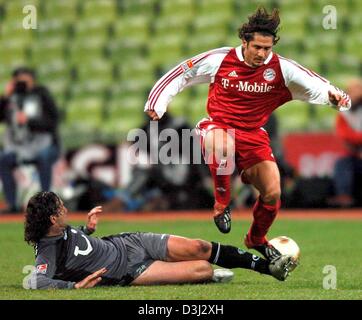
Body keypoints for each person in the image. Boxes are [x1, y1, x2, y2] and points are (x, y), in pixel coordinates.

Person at [144, 7, 351, 261]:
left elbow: (318, 84)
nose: (262, 54)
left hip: (254, 134)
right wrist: (157, 103)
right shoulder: (220, 59)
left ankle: (256, 238)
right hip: (217, 126)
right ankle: (221, 204)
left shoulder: (282, 68)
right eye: (257, 48)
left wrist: (337, 98)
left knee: (273, 192)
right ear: (245, 42)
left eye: (267, 48)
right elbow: (181, 73)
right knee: (223, 146)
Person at [24, 191, 295, 289]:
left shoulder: (60, 229)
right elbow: (37, 280)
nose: (65, 211)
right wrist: (74, 288)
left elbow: (76, 244)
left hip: (129, 242)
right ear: (50, 219)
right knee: (202, 269)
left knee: (198, 246)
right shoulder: (46, 249)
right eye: (60, 209)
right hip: (129, 271)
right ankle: (213, 274)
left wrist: (89, 229)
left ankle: (266, 267)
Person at [0, 67, 60, 214]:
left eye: (24, 81)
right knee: (3, 159)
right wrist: (4, 97)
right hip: (20, 147)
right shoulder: (11, 99)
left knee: (43, 157)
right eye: (18, 81)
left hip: (45, 145)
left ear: (32, 80)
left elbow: (54, 121)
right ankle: (12, 204)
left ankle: (47, 205)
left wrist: (31, 121)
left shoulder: (42, 95)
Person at [328, 79, 362, 207]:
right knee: (342, 163)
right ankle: (344, 196)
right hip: (356, 155)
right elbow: (344, 135)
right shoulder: (345, 114)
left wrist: (356, 139)